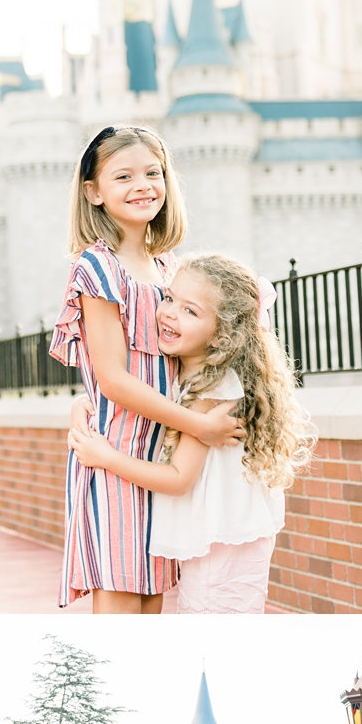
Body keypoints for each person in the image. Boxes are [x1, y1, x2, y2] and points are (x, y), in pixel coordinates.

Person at [49, 126, 243, 613]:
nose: (143, 185)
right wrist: (200, 424)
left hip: (160, 454)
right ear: (93, 192)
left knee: (153, 599)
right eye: (124, 176)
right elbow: (112, 378)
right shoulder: (97, 268)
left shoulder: (166, 268)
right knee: (119, 601)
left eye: (153, 173)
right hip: (113, 454)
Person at [68, 253, 315, 613]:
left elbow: (179, 478)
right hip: (220, 548)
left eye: (191, 311)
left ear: (223, 334)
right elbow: (129, 389)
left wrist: (106, 458)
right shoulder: (187, 378)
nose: (169, 312)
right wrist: (84, 401)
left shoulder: (210, 392)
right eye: (169, 299)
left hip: (223, 553)